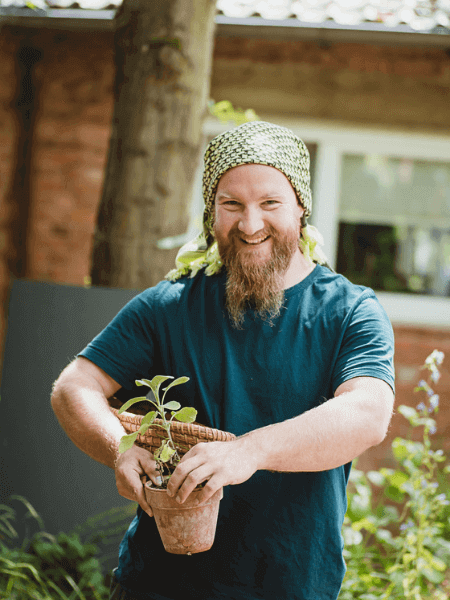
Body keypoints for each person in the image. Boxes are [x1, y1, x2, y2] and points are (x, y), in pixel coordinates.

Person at [51, 121, 395, 600]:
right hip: (157, 587)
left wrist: (248, 452)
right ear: (211, 213)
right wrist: (120, 448)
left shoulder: (349, 311)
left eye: (270, 203)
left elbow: (367, 413)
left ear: (301, 207)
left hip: (291, 586)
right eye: (231, 204)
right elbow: (74, 386)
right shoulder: (168, 307)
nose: (250, 224)